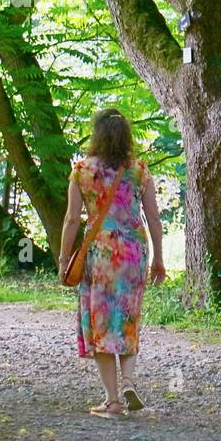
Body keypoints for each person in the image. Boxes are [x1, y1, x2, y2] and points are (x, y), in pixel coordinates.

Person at [59, 108, 166, 418]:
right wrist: (159, 258)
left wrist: (65, 258)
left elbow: (71, 219)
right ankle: (129, 381)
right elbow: (154, 218)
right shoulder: (139, 171)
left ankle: (113, 401)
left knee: (102, 322)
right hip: (133, 253)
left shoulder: (82, 171)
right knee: (127, 318)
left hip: (101, 254)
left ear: (97, 136)